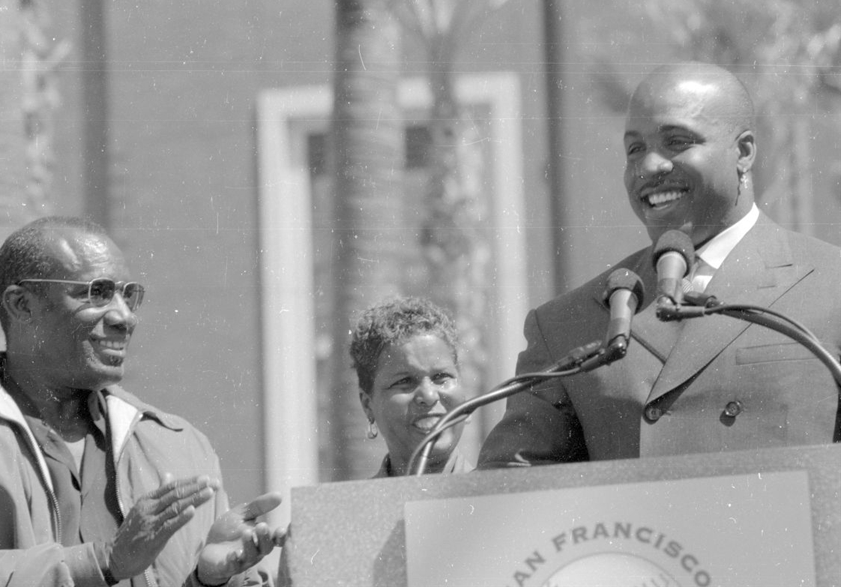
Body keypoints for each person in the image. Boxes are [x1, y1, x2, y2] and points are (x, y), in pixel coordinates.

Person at [478, 62, 841, 468]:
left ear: (744, 152)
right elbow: (507, 491)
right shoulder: (567, 326)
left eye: (677, 141)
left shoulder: (830, 285)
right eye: (635, 149)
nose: (648, 167)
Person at [0, 216, 286, 587]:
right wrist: (105, 562)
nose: (125, 316)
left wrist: (210, 580)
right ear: (21, 305)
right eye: (97, 292)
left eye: (128, 295)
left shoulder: (179, 447)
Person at [350, 296, 473, 478]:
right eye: (404, 381)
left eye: (441, 377)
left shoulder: (507, 500)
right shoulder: (353, 506)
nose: (429, 395)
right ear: (368, 405)